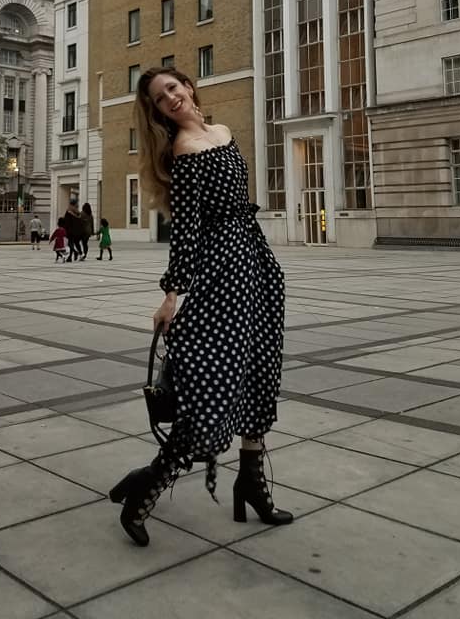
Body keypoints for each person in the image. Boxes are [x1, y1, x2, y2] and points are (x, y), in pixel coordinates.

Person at [109, 67, 292, 547]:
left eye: (173, 87)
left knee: (260, 372)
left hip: (255, 263)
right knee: (212, 389)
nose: (169, 97)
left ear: (188, 87)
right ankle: (146, 489)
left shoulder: (225, 134)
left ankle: (250, 482)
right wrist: (172, 294)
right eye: (158, 97)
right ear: (156, 112)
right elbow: (186, 232)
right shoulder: (183, 154)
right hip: (221, 275)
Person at [63, 198, 82, 262]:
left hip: (69, 230)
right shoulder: (77, 212)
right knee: (72, 243)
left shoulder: (68, 211)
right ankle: (70, 257)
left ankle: (75, 252)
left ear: (70, 204)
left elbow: (66, 221)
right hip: (76, 231)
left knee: (70, 243)